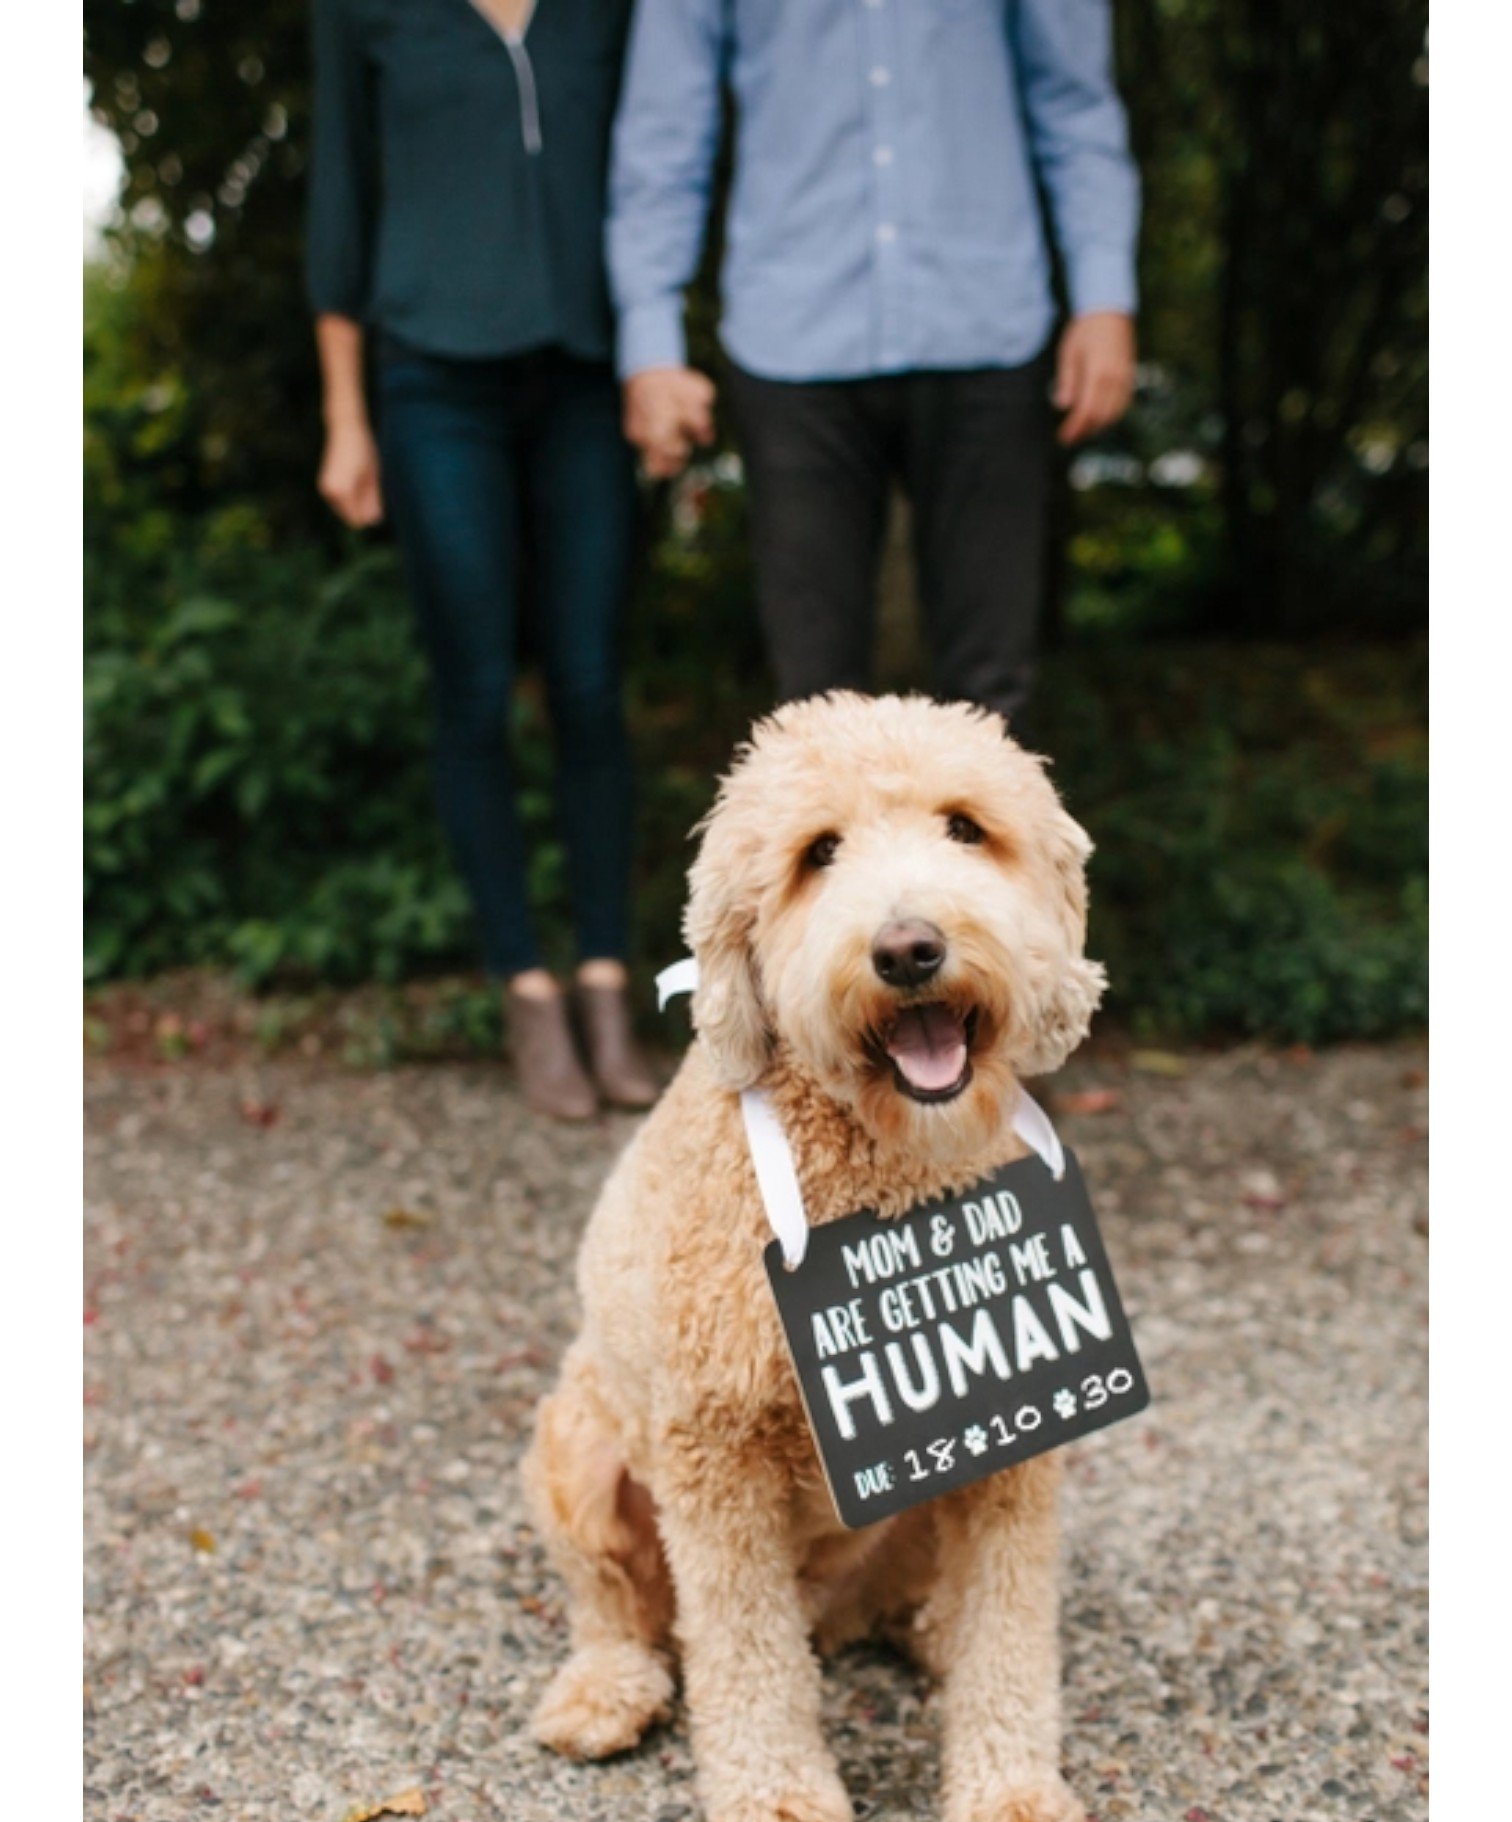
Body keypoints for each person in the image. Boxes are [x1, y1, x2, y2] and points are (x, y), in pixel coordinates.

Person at [306, 0, 657, 1121]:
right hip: (430, 379)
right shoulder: (370, 13)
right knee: (473, 687)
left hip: (586, 377)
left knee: (591, 683)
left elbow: (655, 168)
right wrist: (345, 417)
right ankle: (525, 985)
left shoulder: (607, 12)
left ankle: (606, 985)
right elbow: (339, 196)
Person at [607, 0, 1140, 727]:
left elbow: (1075, 101)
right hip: (792, 336)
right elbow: (663, 130)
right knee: (814, 714)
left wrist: (1103, 297)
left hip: (985, 322)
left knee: (995, 705)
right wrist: (651, 338)